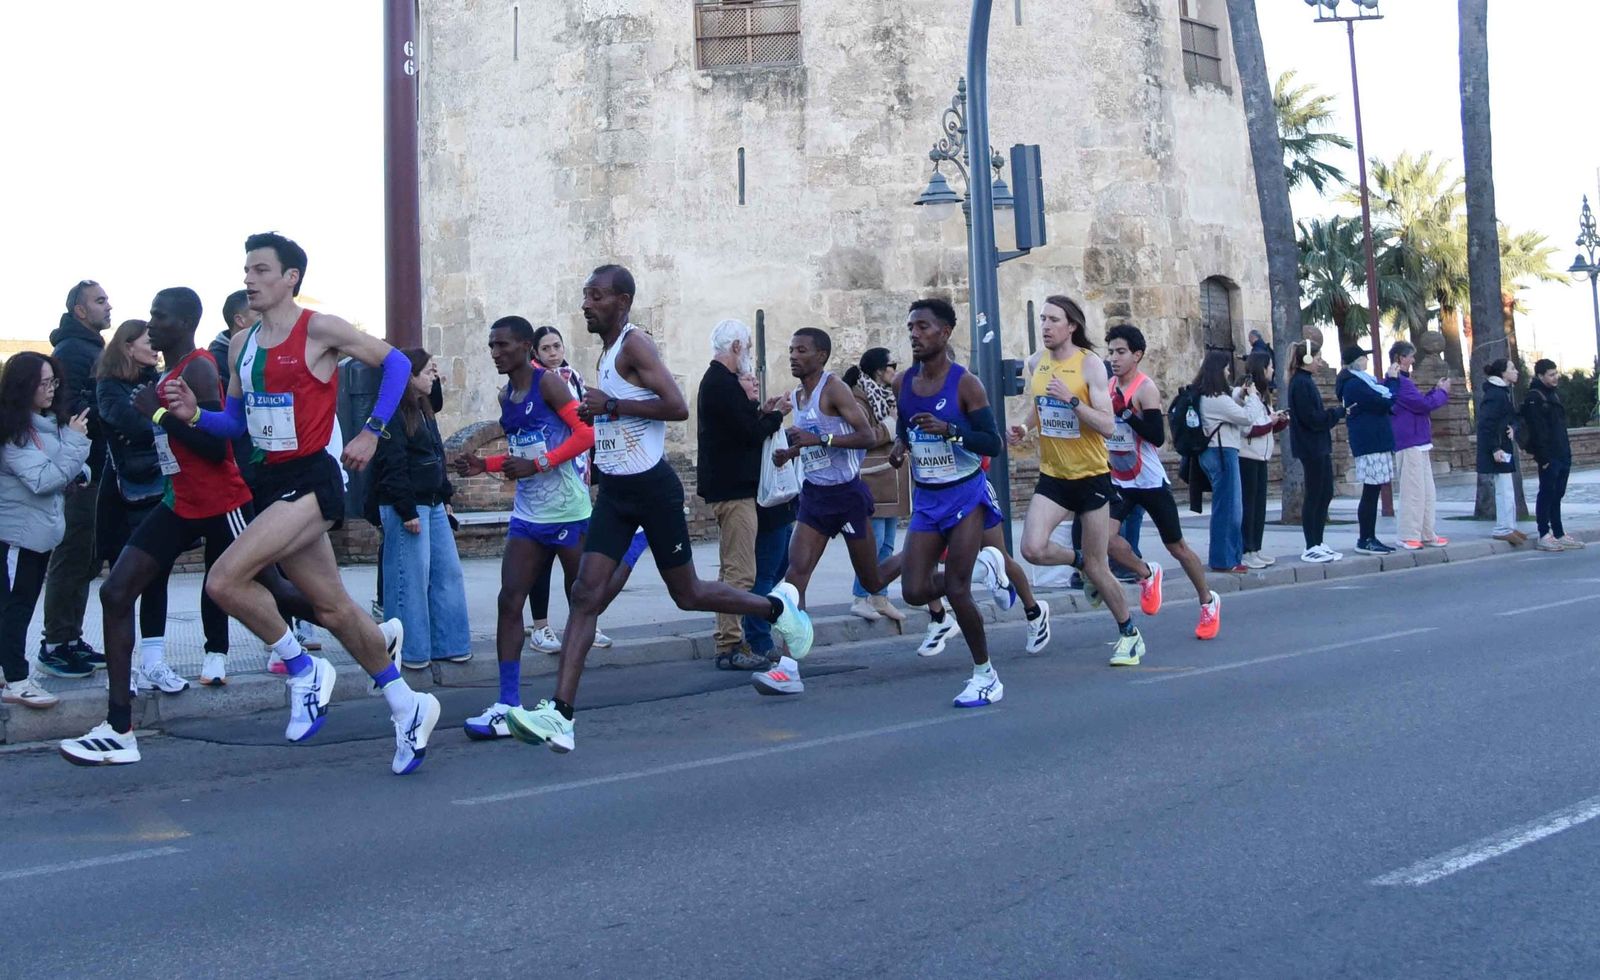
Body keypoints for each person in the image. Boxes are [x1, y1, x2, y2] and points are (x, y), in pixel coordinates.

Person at [504, 265, 813, 752]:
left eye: (597, 296)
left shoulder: (634, 345)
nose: (586, 304)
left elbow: (676, 407)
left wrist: (611, 408)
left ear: (622, 301)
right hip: (617, 493)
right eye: (585, 296)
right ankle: (559, 714)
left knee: (688, 594)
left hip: (652, 487)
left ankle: (777, 607)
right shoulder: (607, 352)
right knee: (585, 593)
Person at [159, 232, 435, 774]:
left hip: (312, 479)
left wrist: (373, 431)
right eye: (246, 270)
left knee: (223, 580)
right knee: (332, 608)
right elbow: (236, 424)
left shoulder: (320, 328)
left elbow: (396, 364)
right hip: (271, 480)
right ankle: (409, 704)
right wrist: (193, 415)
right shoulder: (241, 345)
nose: (249, 279)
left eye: (261, 270)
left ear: (291, 279)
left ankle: (303, 668)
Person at [61, 289, 328, 765]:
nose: (151, 323)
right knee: (116, 592)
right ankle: (120, 727)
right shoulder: (166, 373)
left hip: (221, 502)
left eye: (160, 316)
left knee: (278, 592)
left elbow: (215, 448)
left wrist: (158, 413)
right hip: (179, 503)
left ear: (183, 322)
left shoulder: (201, 366)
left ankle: (361, 635)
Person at [452, 316, 594, 739]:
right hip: (529, 516)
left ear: (526, 346)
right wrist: (485, 465)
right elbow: (520, 451)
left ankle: (561, 707)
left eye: (503, 345)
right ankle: (507, 704)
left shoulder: (547, 382)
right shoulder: (505, 394)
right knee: (509, 601)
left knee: (585, 598)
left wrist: (539, 464)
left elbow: (585, 434)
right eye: (491, 346)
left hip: (568, 510)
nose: (495, 353)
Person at [749, 328, 903, 696]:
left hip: (847, 496)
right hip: (816, 497)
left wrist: (821, 439)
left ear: (821, 355)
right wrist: (790, 452)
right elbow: (808, 440)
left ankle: (924, 553)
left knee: (873, 580)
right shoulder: (799, 396)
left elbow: (867, 436)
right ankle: (789, 669)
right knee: (793, 578)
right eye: (790, 349)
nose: (793, 356)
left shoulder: (833, 389)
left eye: (801, 350)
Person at [884, 297, 1013, 703]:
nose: (915, 335)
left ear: (946, 332)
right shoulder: (903, 382)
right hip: (927, 499)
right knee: (913, 590)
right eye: (911, 328)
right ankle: (984, 569)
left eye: (923, 327)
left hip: (965, 494)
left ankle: (985, 674)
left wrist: (950, 431)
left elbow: (993, 442)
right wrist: (901, 446)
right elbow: (906, 425)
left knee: (956, 590)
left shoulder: (966, 384)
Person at [1013, 296, 1144, 665]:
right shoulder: (1035, 363)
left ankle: (1129, 633)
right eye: (1042, 319)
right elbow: (1038, 405)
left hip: (1091, 477)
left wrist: (1072, 401)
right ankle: (1079, 560)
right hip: (1053, 475)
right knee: (1032, 549)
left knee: (1101, 569)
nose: (1046, 326)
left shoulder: (1090, 366)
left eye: (1054, 319)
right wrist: (1023, 426)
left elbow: (1106, 424)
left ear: (1072, 325)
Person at [94, 317, 195, 693]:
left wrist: (159, 414)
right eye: (145, 341)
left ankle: (154, 663)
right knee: (123, 584)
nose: (153, 347)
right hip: (126, 495)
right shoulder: (109, 386)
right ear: (126, 346)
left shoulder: (156, 382)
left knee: (159, 576)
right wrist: (162, 417)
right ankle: (125, 670)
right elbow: (132, 425)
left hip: (161, 485)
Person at [1103, 324, 1220, 639]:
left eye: (1121, 352)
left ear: (1137, 355)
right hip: (1120, 480)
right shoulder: (1106, 385)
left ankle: (1208, 601)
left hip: (1149, 481)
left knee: (1177, 547)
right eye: (1111, 351)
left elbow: (1156, 437)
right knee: (1106, 540)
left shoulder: (1145, 388)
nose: (1114, 358)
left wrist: (1126, 414)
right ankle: (1145, 572)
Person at [695, 318, 787, 670]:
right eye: (746, 346)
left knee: (734, 570)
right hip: (733, 491)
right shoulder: (721, 383)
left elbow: (740, 426)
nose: (748, 353)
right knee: (740, 573)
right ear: (736, 347)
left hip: (731, 487)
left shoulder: (719, 382)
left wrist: (763, 412)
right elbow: (749, 434)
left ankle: (731, 641)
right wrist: (775, 416)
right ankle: (729, 645)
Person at [371, 349, 471, 667]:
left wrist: (447, 498)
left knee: (447, 574)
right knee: (408, 578)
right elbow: (392, 465)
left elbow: (437, 457)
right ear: (409, 377)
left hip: (433, 502)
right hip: (408, 506)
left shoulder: (425, 410)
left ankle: (449, 643)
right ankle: (410, 650)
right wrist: (407, 510)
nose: (434, 376)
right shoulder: (394, 414)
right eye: (428, 370)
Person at [0, 353, 90, 708]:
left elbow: (61, 467)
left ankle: (9, 673)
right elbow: (44, 478)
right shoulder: (15, 433)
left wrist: (78, 467)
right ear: (23, 386)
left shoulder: (41, 424)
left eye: (53, 381)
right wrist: (76, 442)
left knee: (16, 606)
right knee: (15, 608)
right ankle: (17, 679)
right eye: (43, 383)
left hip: (36, 535)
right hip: (17, 537)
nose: (51, 390)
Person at [524, 325, 616, 653]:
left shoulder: (572, 376)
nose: (553, 352)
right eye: (546, 347)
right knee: (542, 557)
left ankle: (583, 623)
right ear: (534, 351)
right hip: (544, 476)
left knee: (577, 557)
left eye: (557, 346)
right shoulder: (531, 381)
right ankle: (540, 626)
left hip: (576, 474)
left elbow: (585, 420)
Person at [40, 279, 113, 676]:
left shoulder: (90, 348)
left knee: (86, 559)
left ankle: (70, 638)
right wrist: (110, 411)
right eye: (100, 301)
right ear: (80, 311)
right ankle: (56, 644)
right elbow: (71, 408)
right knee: (72, 556)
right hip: (80, 473)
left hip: (94, 467)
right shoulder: (72, 350)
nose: (109, 306)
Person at [843, 347, 910, 622]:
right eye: (890, 365)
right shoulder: (859, 397)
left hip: (891, 478)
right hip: (871, 474)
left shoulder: (887, 394)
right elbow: (866, 434)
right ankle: (860, 596)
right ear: (878, 370)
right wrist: (891, 427)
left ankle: (880, 596)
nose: (895, 369)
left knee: (888, 543)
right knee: (873, 541)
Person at [1385, 340, 1451, 551]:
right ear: (1399, 358)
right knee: (1412, 491)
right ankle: (1407, 535)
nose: (1413, 360)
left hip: (1419, 442)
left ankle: (1426, 532)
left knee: (1426, 492)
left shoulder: (1405, 382)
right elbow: (1422, 405)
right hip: (1409, 442)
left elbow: (1420, 402)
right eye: (1410, 356)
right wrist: (1441, 392)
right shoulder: (1399, 384)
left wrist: (1435, 391)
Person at [1191, 350, 1251, 573]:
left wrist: (1239, 395)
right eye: (1226, 368)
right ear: (1218, 370)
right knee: (1229, 509)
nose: (1228, 371)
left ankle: (1229, 557)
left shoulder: (1205, 396)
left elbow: (1230, 406)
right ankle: (1225, 559)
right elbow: (1246, 417)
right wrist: (1252, 396)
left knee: (1225, 506)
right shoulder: (1217, 399)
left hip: (1213, 452)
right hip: (1223, 453)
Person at [1287, 338, 1346, 563]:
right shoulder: (1300, 384)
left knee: (1325, 492)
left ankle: (1319, 542)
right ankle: (1311, 544)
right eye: (1318, 358)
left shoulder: (1306, 382)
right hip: (1310, 446)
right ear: (1308, 359)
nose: (1321, 363)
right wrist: (1335, 414)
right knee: (1314, 494)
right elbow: (1311, 418)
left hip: (1318, 445)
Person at [1335, 345, 1397, 555]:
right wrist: (1394, 381)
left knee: (1375, 489)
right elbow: (1382, 402)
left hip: (1376, 440)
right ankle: (1365, 538)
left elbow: (1384, 398)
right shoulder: (1353, 385)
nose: (1367, 362)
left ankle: (1370, 536)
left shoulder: (1363, 381)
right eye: (1364, 358)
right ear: (1357, 361)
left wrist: (1390, 384)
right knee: (1370, 492)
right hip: (1369, 442)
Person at [1521, 358, 1580, 552]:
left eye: (1556, 374)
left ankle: (1559, 533)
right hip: (1549, 456)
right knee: (1546, 493)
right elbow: (1537, 430)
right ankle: (1543, 534)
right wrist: (1543, 458)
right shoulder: (1534, 397)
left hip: (1563, 453)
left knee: (1557, 494)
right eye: (1551, 375)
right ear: (1540, 376)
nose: (1555, 378)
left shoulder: (1553, 395)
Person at [1238, 350, 1289, 569]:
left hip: (1261, 456)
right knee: (1249, 506)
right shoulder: (1245, 393)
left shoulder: (1261, 395)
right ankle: (1246, 549)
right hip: (1247, 457)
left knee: (1259, 506)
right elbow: (1248, 428)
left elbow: (1265, 424)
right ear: (1261, 368)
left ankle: (1255, 548)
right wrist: (1270, 420)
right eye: (1269, 366)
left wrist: (1279, 421)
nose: (1272, 370)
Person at [1476, 358, 1524, 545]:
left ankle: (1509, 526)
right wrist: (1495, 448)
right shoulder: (1495, 394)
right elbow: (1486, 424)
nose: (1516, 371)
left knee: (1507, 489)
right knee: (1503, 490)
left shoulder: (1502, 393)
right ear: (1503, 373)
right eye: (1512, 368)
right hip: (1498, 449)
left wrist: (1513, 427)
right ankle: (1503, 528)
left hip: (1503, 446)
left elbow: (1508, 417)